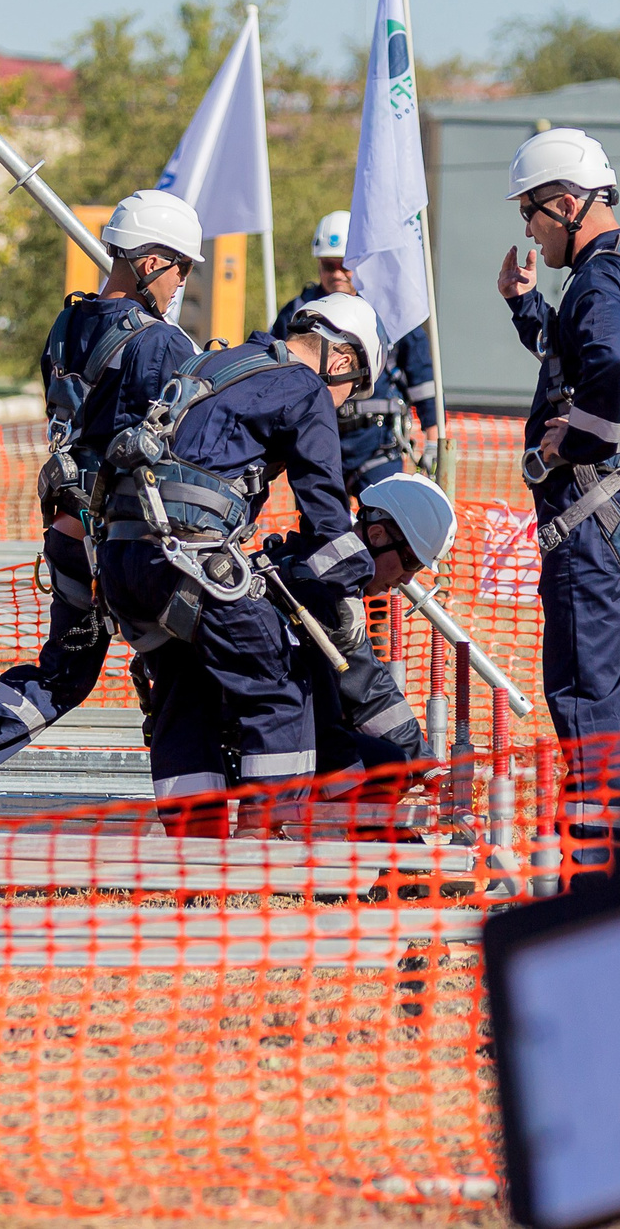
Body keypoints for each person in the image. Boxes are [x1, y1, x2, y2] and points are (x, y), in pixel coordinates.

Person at [0, 191, 203, 793]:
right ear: (150, 260)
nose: (181, 283)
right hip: (128, 544)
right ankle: (199, 811)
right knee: (186, 663)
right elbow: (171, 447)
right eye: (180, 267)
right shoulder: (161, 344)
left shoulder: (69, 323)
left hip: (67, 533)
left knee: (63, 672)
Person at [97, 291, 385, 834]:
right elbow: (326, 514)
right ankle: (262, 849)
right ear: (341, 360)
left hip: (124, 560)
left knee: (183, 688)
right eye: (348, 393)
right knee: (279, 679)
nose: (341, 403)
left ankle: (195, 858)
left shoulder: (216, 360)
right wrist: (348, 592)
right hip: (187, 557)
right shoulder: (305, 387)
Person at [497, 129, 620, 757]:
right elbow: (585, 361)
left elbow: (607, 371)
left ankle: (595, 855)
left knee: (592, 710)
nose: (530, 232)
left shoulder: (598, 280)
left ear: (562, 202)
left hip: (596, 521)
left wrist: (569, 445)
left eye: (530, 212)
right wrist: (526, 306)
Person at [262, 468, 456, 779]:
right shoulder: (331, 588)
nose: (408, 578)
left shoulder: (318, 559)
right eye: (409, 561)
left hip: (271, 726)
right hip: (271, 739)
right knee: (390, 768)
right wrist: (426, 767)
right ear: (377, 535)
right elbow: (367, 691)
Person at [272, 211, 440, 494]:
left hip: (376, 444)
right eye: (329, 265)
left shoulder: (389, 310)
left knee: (385, 526)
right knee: (322, 532)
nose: (337, 273)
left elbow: (421, 375)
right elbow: (273, 368)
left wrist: (434, 438)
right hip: (315, 442)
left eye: (345, 265)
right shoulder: (298, 312)